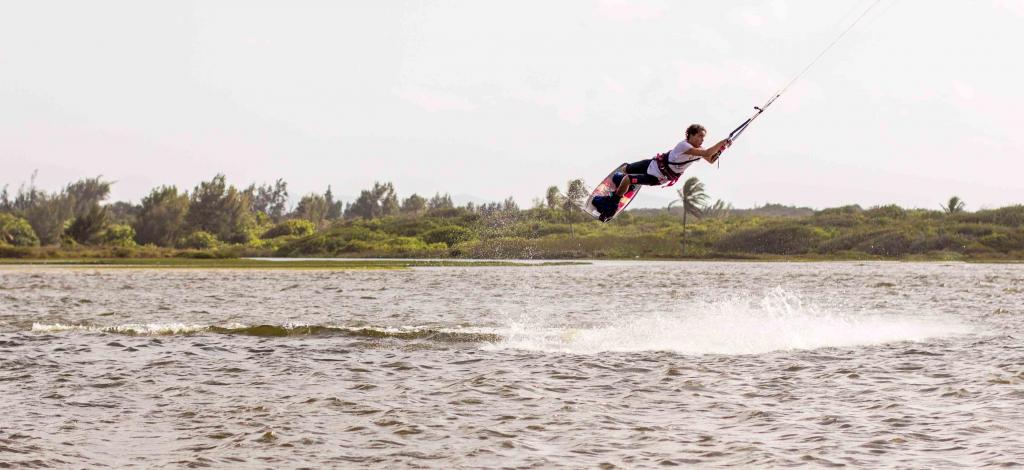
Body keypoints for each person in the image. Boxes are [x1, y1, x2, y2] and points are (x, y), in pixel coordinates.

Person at [592, 124, 732, 221]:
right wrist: (722, 142)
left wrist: (723, 148)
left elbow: (711, 158)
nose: (702, 140)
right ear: (691, 135)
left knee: (627, 178)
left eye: (703, 137)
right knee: (625, 169)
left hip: (657, 177)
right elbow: (707, 152)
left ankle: (613, 203)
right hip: (653, 163)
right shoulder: (684, 145)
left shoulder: (699, 149)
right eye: (700, 136)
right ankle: (624, 186)